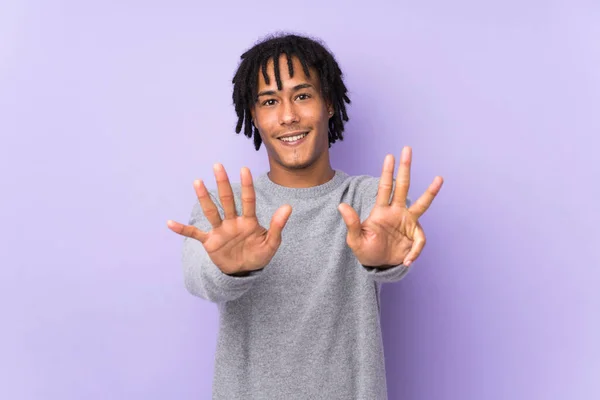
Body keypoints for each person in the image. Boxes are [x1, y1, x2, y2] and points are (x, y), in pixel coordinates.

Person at [167, 32, 443, 400]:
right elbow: (197, 275)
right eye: (269, 101)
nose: (288, 116)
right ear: (254, 115)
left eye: (302, 95)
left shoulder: (368, 199)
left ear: (328, 103)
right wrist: (229, 268)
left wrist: (386, 262)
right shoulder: (225, 208)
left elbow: (393, 251)